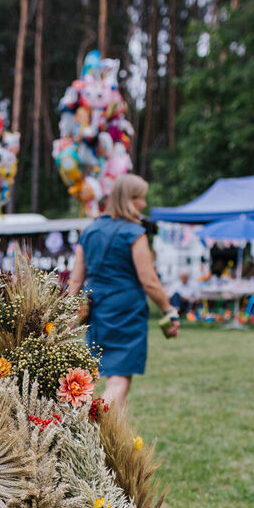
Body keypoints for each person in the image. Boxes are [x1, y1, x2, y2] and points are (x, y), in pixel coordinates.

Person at [68, 173, 179, 407]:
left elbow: (76, 281)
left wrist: (67, 319)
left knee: (106, 375)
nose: (144, 204)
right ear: (129, 199)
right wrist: (168, 310)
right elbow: (149, 280)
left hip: (96, 309)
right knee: (119, 380)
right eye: (141, 198)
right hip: (126, 311)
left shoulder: (89, 231)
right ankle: (97, 422)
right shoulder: (134, 233)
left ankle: (112, 432)